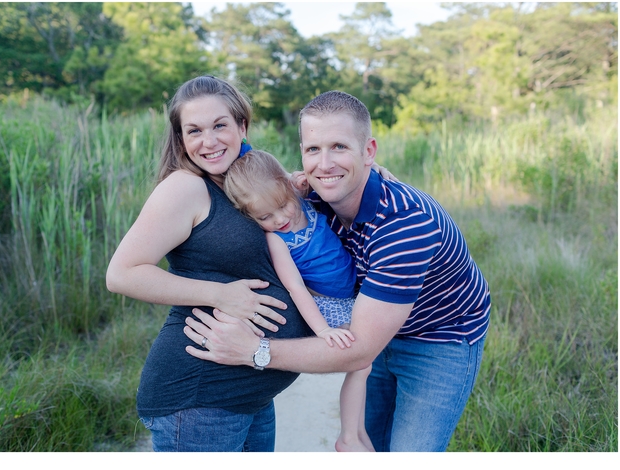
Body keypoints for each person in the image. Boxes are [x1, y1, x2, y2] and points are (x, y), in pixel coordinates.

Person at [183, 90, 492, 452]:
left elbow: (358, 350)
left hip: (439, 338)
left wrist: (255, 350)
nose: (324, 164)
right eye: (313, 150)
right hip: (373, 323)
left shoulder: (405, 225)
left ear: (369, 151)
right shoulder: (303, 197)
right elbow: (249, 169)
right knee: (368, 442)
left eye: (340, 147)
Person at [106, 75, 314, 452]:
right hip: (200, 399)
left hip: (248, 395)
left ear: (242, 126)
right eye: (194, 130)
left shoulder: (246, 179)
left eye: (220, 125)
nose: (209, 141)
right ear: (181, 138)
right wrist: (220, 295)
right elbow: (122, 274)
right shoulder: (186, 186)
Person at [224, 149, 374, 452]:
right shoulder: (277, 240)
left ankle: (357, 432)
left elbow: (328, 177)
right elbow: (296, 289)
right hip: (328, 303)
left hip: (352, 291)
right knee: (361, 363)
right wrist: (322, 331)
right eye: (264, 217)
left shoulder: (300, 197)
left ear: (290, 186)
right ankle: (349, 436)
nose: (280, 219)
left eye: (282, 207)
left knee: (366, 364)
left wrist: (304, 180)